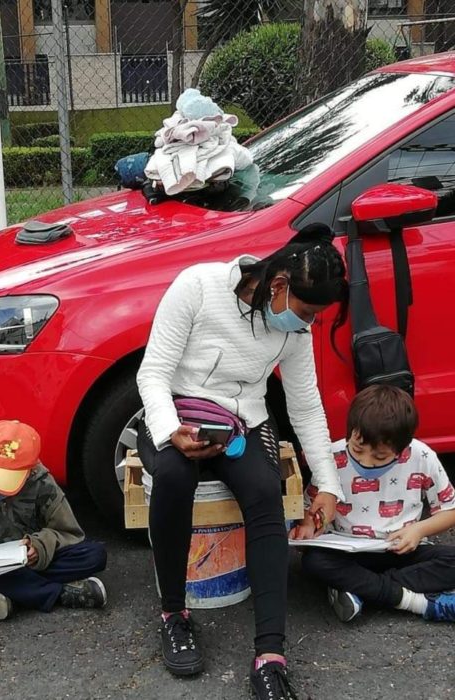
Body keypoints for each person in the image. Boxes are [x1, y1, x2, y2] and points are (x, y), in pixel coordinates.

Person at [136, 224, 349, 700]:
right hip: (178, 409)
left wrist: (328, 483)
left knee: (264, 493)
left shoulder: (291, 332)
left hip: (244, 420)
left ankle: (270, 657)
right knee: (172, 474)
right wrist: (171, 430)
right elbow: (152, 372)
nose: (309, 324)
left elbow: (305, 404)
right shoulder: (198, 286)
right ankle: (175, 614)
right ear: (278, 286)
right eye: (308, 312)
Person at [291, 385, 455, 624]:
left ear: (402, 448)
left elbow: (450, 510)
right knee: (314, 561)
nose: (364, 461)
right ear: (350, 433)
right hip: (348, 552)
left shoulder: (422, 456)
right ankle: (414, 602)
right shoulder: (332, 457)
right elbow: (311, 506)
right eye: (357, 449)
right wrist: (307, 525)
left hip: (400, 548)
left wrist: (418, 530)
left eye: (379, 457)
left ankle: (359, 588)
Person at [0, 420, 107, 620]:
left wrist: (40, 546)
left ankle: (15, 593)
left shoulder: (42, 483)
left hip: (29, 560)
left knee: (94, 555)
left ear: (29, 471)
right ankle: (60, 594)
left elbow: (70, 533)